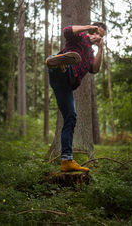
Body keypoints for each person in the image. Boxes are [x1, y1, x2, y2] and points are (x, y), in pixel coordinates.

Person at [46, 22, 106, 172]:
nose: (98, 37)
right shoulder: (80, 38)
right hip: (63, 75)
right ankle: (58, 62)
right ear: (92, 31)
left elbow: (95, 69)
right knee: (67, 64)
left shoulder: (91, 53)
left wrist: (100, 48)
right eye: (97, 33)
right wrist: (88, 27)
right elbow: (67, 31)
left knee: (71, 117)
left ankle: (66, 161)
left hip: (65, 86)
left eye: (101, 36)